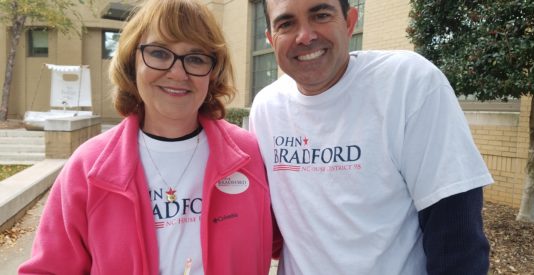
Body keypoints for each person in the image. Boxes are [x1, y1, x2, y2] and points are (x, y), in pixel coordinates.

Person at [18, 0, 272, 274]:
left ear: (213, 72)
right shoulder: (89, 167)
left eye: (196, 58)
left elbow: (295, 237)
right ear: (132, 60)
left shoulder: (249, 155)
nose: (177, 73)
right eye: (159, 53)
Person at [249, 0, 493, 274]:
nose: (305, 36)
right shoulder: (266, 109)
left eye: (320, 15)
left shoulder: (408, 84)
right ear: (271, 39)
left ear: (350, 22)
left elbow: (457, 234)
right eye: (286, 23)